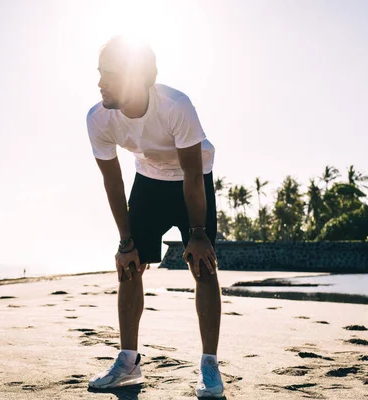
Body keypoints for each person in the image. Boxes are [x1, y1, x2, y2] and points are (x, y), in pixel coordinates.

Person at [86, 36, 223, 398]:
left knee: (204, 266)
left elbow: (193, 176)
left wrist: (197, 233)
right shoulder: (99, 118)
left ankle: (209, 366)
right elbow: (113, 182)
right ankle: (128, 363)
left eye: (109, 74)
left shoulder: (175, 105)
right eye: (99, 73)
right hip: (148, 179)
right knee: (130, 265)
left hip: (191, 179)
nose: (99, 82)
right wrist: (125, 242)